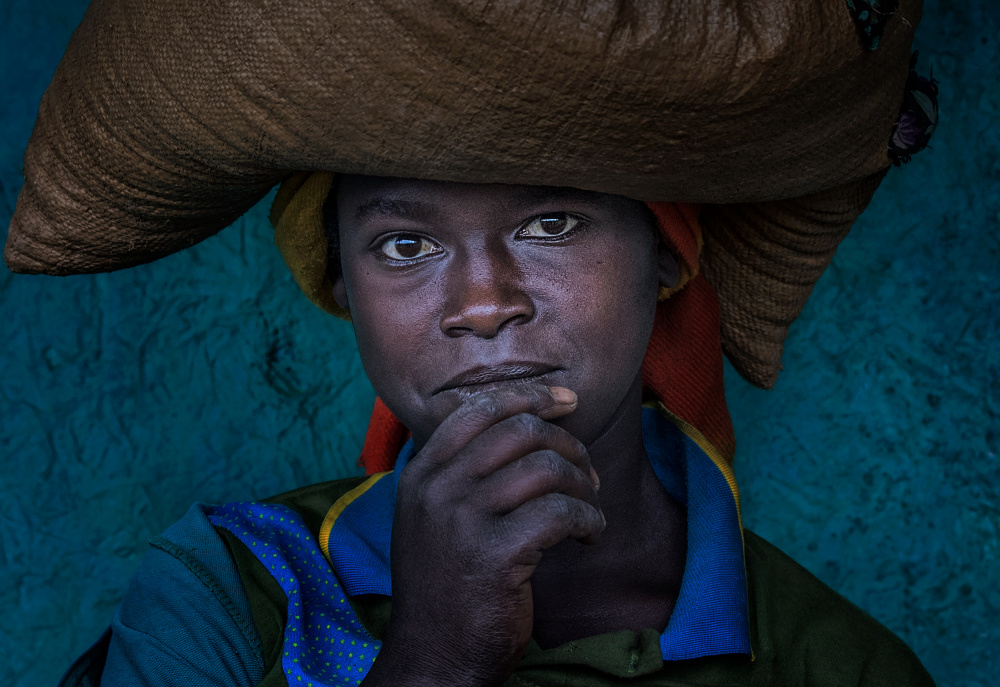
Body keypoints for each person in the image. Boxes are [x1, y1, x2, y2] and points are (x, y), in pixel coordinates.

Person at [55, 174, 935, 686]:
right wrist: (432, 658)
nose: (483, 303)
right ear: (342, 288)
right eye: (404, 245)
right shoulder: (228, 589)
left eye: (550, 222)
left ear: (666, 251)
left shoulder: (836, 664)